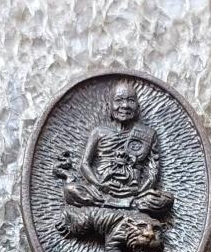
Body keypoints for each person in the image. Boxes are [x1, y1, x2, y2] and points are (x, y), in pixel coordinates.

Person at [62, 80, 174, 215]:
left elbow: (153, 172)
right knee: (70, 190)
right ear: (109, 106)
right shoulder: (98, 132)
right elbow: (84, 164)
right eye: (119, 100)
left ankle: (122, 204)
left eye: (131, 101)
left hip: (134, 193)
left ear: (137, 107)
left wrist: (139, 191)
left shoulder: (148, 134)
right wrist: (99, 184)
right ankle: (120, 205)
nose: (125, 106)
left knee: (166, 200)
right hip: (102, 190)